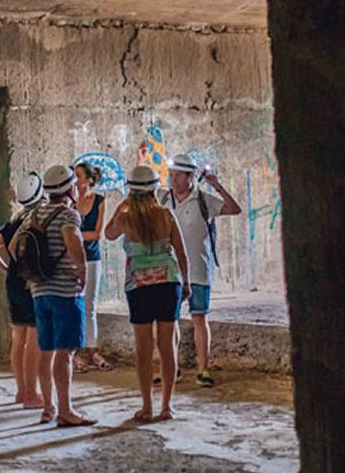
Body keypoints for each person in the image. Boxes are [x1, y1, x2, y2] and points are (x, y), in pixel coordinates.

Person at [105, 166, 191, 422]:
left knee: (144, 351)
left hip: (139, 286)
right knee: (168, 347)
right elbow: (182, 254)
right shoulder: (167, 215)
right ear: (154, 188)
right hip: (168, 283)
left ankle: (147, 407)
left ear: (131, 190)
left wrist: (122, 204)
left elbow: (108, 233)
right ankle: (167, 406)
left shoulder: (125, 217)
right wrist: (185, 283)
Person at [162, 153, 242, 387]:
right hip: (170, 271)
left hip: (198, 270)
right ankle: (170, 368)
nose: (173, 180)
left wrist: (217, 185)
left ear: (191, 176)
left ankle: (203, 369)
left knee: (199, 318)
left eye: (178, 175)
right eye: (171, 175)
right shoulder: (164, 200)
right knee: (169, 321)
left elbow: (233, 208)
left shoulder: (203, 200)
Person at [27, 165, 96, 427]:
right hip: (65, 291)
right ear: (69, 188)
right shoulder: (69, 214)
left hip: (39, 290)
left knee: (46, 351)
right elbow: (73, 243)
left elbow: (17, 246)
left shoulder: (36, 212)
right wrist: (82, 273)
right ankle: (66, 410)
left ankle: (48, 408)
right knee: (65, 353)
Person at [0, 172, 46, 409]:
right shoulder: (37, 218)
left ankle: (21, 391)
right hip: (31, 282)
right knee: (34, 340)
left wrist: (7, 267)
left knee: (18, 339)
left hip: (14, 281)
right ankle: (32, 394)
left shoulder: (14, 221)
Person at [73, 162, 112, 373]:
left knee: (90, 306)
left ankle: (92, 350)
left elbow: (97, 234)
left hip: (92, 258)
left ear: (88, 179)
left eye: (78, 176)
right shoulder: (71, 203)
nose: (76, 181)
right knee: (75, 305)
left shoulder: (99, 201)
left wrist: (75, 236)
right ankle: (76, 351)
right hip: (72, 259)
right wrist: (79, 237)